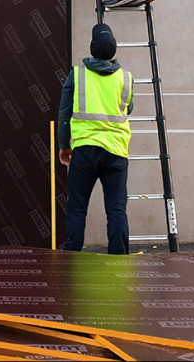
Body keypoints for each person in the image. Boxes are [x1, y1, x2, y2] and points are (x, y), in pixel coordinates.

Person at [57, 23, 134, 255]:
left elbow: (64, 113)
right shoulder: (126, 77)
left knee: (77, 208)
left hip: (85, 151)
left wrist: (64, 146)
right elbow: (127, 109)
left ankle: (72, 257)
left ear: (91, 48)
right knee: (117, 209)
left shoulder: (77, 74)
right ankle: (120, 259)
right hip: (116, 152)